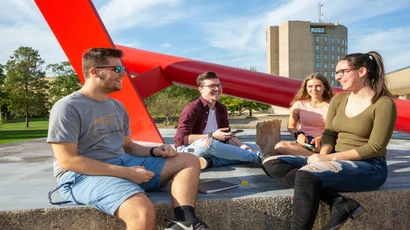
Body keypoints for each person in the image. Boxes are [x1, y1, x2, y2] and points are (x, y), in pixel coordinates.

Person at [47, 48, 210, 230]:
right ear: (94, 72)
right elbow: (68, 161)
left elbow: (127, 146)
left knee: (188, 160)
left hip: (122, 161)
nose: (124, 73)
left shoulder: (117, 106)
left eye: (123, 68)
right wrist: (126, 173)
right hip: (81, 176)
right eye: (116, 69)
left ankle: (185, 221)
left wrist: (154, 150)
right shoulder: (67, 107)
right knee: (142, 212)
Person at [261, 51, 397, 230]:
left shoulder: (384, 103)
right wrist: (321, 156)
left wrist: (328, 159)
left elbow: (375, 147)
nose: (338, 77)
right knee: (270, 161)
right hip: (334, 157)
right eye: (337, 73)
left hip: (370, 166)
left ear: (362, 71)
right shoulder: (339, 99)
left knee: (306, 175)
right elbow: (330, 133)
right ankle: (339, 202)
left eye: (343, 72)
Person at [174, 71, 263, 170]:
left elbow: (227, 136)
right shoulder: (192, 109)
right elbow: (181, 139)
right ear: (201, 89)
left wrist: (243, 146)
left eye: (219, 85)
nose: (217, 89)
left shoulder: (221, 108)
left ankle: (210, 162)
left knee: (254, 148)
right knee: (209, 143)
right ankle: (259, 158)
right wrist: (212, 135)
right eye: (212, 86)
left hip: (217, 147)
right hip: (189, 149)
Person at [274, 73, 334, 156]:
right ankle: (318, 157)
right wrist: (299, 135)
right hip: (305, 142)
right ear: (306, 88)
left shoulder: (332, 105)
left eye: (318, 86)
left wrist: (321, 138)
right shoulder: (299, 104)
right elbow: (291, 126)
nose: (314, 89)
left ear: (325, 87)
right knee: (280, 146)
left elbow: (336, 129)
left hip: (326, 141)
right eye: (310, 86)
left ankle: (319, 156)